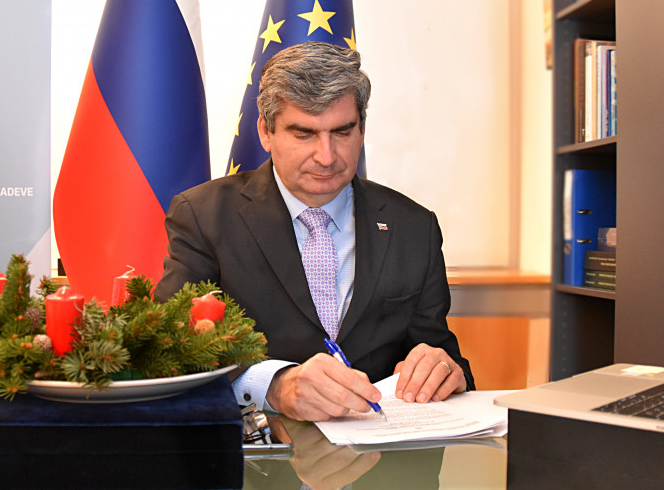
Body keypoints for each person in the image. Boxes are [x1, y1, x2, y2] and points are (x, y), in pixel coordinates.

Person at [156, 41, 473, 422]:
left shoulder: (414, 228)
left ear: (362, 129)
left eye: (342, 132)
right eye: (304, 134)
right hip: (261, 464)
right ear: (266, 132)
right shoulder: (204, 216)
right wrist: (273, 385)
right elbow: (174, 349)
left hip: (382, 459)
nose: (326, 156)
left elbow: (439, 353)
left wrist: (446, 371)